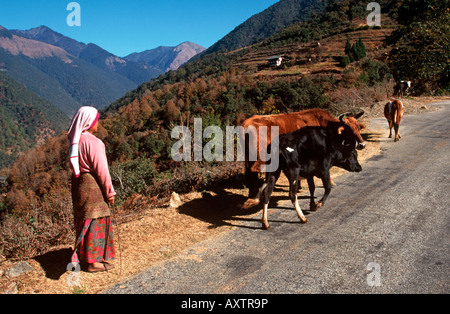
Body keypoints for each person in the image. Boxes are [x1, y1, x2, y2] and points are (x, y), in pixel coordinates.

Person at [67, 106, 116, 273]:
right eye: (96, 120)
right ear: (89, 122)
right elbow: (102, 171)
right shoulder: (94, 143)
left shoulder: (75, 141)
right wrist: (110, 192)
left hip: (79, 188)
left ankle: (83, 256)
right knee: (96, 222)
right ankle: (93, 263)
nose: (98, 123)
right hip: (93, 188)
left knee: (84, 221)